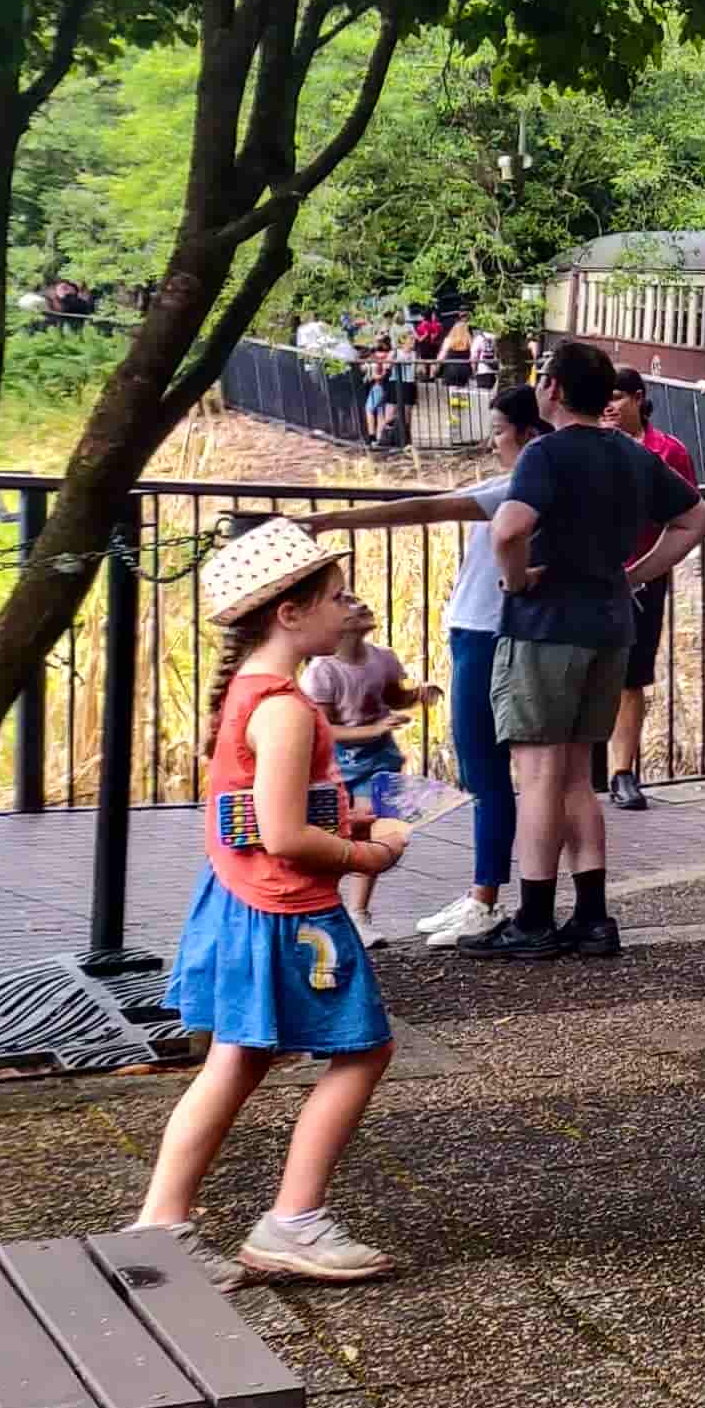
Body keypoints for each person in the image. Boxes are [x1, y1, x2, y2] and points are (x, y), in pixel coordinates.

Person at [137, 521, 416, 1287]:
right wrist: (372, 854)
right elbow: (288, 836)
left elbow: (261, 811)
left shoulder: (250, 693)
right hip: (292, 912)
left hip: (238, 901)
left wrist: (353, 817)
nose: (348, 608)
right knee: (363, 1048)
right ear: (288, 614)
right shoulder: (289, 709)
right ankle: (293, 1221)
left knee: (237, 1057)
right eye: (334, 598)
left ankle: (163, 1225)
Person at [463, 344, 705, 961]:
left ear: (551, 388)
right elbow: (696, 521)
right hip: (610, 626)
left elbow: (509, 528)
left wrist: (515, 581)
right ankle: (593, 917)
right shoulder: (631, 452)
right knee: (579, 775)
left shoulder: (545, 453)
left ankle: (534, 917)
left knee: (540, 774)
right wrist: (634, 575)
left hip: (547, 627)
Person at [299, 385, 543, 945]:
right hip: (485, 632)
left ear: (528, 433)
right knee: (506, 773)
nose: (493, 440)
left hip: (488, 632)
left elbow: (427, 507)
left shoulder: (518, 490)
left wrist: (335, 519)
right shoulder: (524, 485)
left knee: (486, 772)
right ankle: (493, 893)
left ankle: (486, 897)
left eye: (500, 430)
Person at [298, 596, 431, 944]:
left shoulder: (383, 658)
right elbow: (324, 728)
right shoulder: (322, 671)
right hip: (340, 763)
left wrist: (418, 694)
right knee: (343, 835)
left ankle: (359, 912)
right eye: (349, 603)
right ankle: (324, 906)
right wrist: (372, 729)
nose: (362, 606)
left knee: (375, 831)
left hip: (381, 758)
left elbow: (394, 696)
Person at [603, 370, 700, 813]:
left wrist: (645, 569)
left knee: (632, 675)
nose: (609, 406)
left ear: (638, 399)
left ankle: (622, 770)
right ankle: (588, 768)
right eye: (602, 397)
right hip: (591, 575)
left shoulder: (668, 451)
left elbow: (687, 516)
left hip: (642, 576)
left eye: (617, 397)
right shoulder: (587, 445)